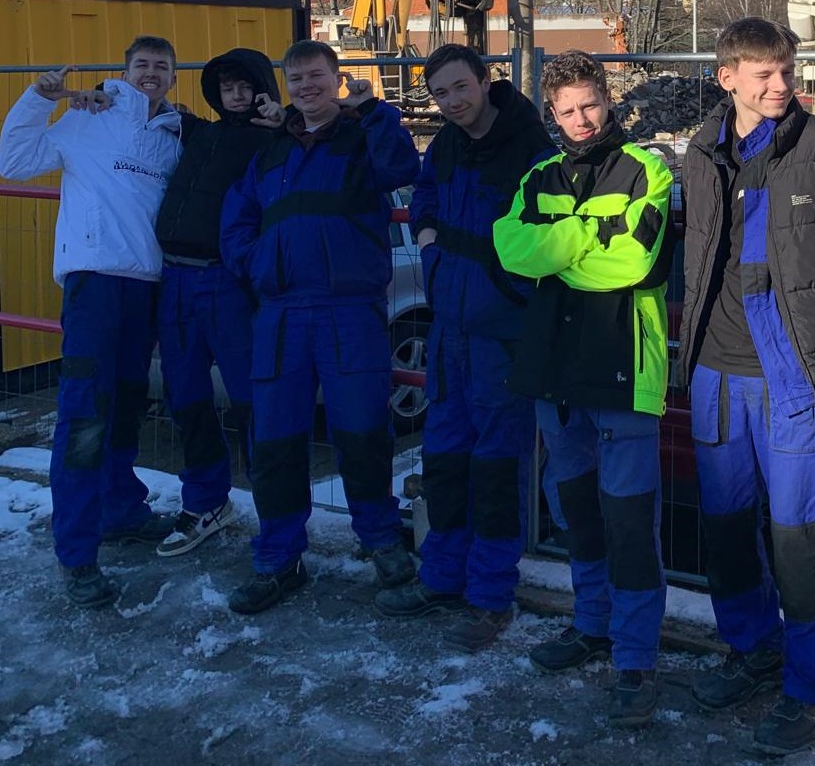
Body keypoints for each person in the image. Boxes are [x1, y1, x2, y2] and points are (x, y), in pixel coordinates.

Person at [677, 17, 815, 755]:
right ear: (727, 77)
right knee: (726, 526)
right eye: (763, 74)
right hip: (715, 368)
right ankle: (750, 648)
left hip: (793, 370)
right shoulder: (701, 151)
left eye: (786, 71)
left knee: (802, 537)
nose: (780, 85)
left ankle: (812, 686)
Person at [494, 50, 673, 727]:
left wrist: (557, 246)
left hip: (623, 368)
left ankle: (636, 657)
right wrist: (587, 233)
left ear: (608, 98)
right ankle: (591, 624)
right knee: (577, 512)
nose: (580, 119)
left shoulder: (647, 169)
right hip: (555, 369)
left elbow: (631, 263)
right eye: (566, 110)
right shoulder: (537, 175)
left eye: (590, 104)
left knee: (630, 522)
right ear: (552, 111)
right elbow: (511, 250)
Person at [219, 39, 421, 614]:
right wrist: (256, 263)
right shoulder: (272, 150)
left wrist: (375, 111)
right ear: (286, 87)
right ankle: (278, 558)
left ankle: (381, 541)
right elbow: (238, 218)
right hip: (282, 313)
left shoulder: (361, 137)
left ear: (336, 80)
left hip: (348, 310)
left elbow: (402, 168)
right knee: (275, 440)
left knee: (363, 433)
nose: (306, 87)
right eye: (296, 79)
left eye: (316, 77)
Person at [375, 45, 556, 653]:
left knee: (498, 469)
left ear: (485, 80)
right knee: (446, 460)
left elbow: (548, 235)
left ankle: (490, 595)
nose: (452, 101)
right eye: (440, 93)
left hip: (503, 334)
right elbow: (425, 193)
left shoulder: (530, 148)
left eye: (461, 87)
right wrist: (428, 241)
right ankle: (442, 576)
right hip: (450, 330)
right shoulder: (448, 145)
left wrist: (507, 288)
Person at [0, 36, 185, 608]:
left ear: (172, 77)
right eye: (141, 65)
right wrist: (39, 98)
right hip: (94, 285)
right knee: (84, 416)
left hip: (145, 288)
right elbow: (14, 161)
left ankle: (120, 510)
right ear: (125, 72)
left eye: (161, 66)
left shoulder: (174, 137)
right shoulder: (88, 117)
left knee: (126, 407)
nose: (151, 73)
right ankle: (77, 552)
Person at [149, 48, 282, 557]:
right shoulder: (198, 133)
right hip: (175, 280)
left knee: (252, 401)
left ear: (262, 89)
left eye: (245, 86)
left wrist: (284, 120)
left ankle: (276, 513)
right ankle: (206, 501)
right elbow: (144, 106)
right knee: (185, 397)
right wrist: (101, 96)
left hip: (229, 285)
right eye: (227, 87)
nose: (236, 95)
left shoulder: (273, 140)